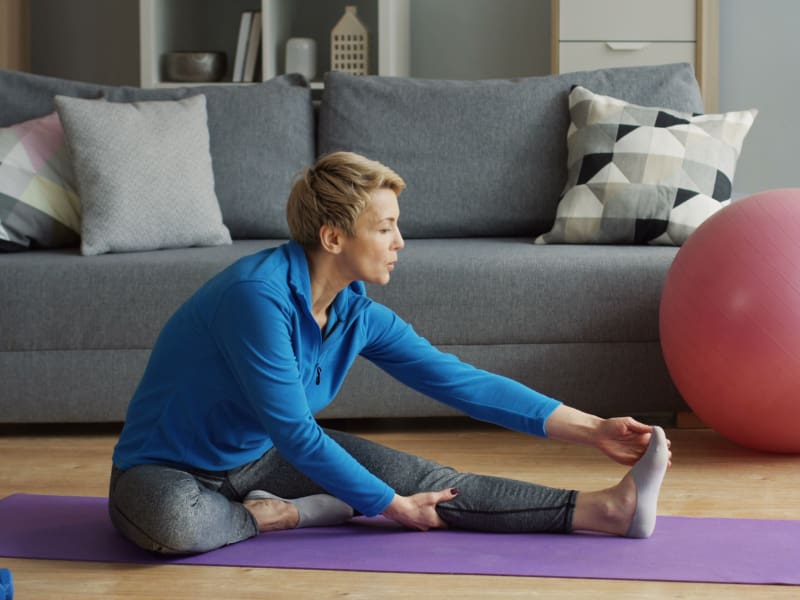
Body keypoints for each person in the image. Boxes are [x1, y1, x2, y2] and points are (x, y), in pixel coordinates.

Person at [109, 151, 671, 555]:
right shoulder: (255, 298)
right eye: (385, 228)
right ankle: (277, 514)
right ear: (333, 238)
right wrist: (389, 506)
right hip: (167, 474)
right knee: (173, 526)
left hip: (258, 459)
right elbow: (296, 432)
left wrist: (594, 429)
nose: (400, 242)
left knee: (431, 481)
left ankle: (607, 510)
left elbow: (461, 382)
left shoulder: (354, 312)